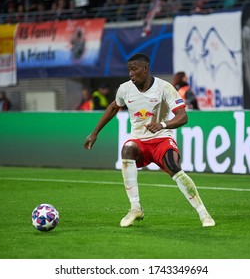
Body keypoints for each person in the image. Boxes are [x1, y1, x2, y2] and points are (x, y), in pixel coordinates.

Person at [84, 53, 215, 228]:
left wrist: (162, 124)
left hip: (161, 139)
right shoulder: (125, 89)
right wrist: (95, 133)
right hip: (140, 142)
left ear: (145, 68)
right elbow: (113, 107)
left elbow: (183, 117)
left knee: (174, 166)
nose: (131, 74)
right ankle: (135, 208)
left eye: (134, 69)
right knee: (127, 149)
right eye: (129, 70)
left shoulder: (164, 87)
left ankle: (204, 214)